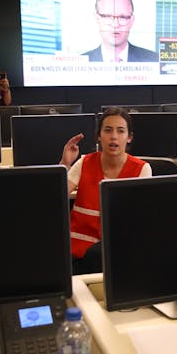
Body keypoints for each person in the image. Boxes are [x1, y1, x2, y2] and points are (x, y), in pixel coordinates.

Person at [60, 107, 152, 273]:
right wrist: (65, 164)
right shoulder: (85, 162)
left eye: (121, 131)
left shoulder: (142, 169)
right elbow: (55, 197)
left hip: (115, 253)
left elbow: (141, 220)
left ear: (129, 137)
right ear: (99, 136)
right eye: (108, 130)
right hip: (75, 253)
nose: (114, 136)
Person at [82, 0, 159, 63]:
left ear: (132, 21)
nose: (115, 25)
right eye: (108, 16)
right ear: (97, 19)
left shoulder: (155, 60)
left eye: (122, 17)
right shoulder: (80, 64)